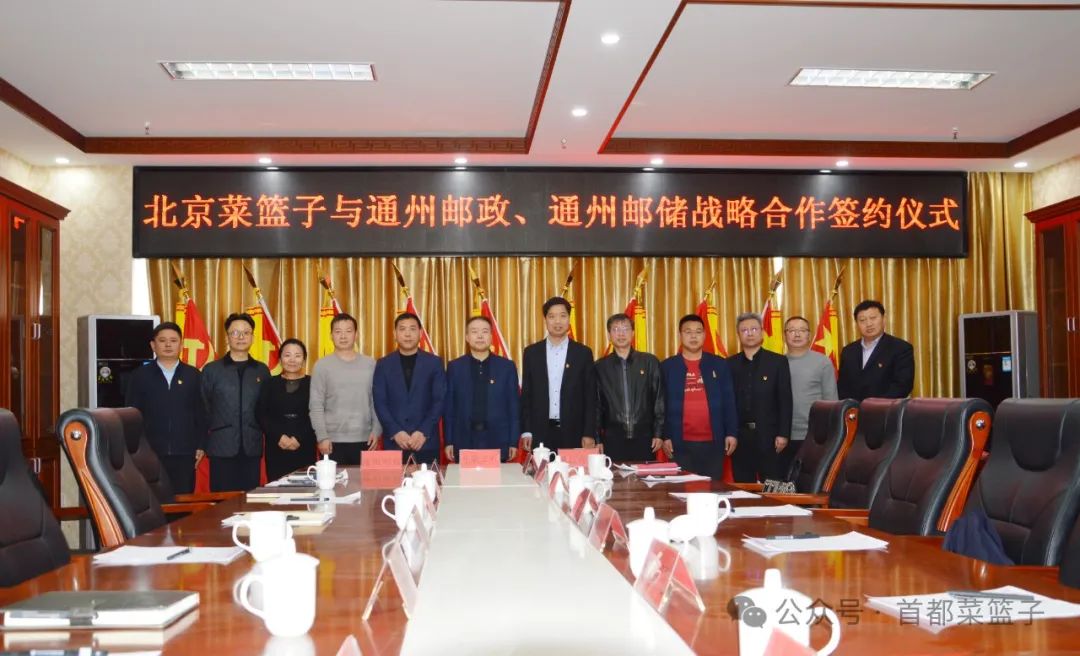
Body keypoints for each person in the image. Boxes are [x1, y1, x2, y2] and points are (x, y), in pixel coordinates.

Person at [124, 321, 205, 494]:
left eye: (173, 341)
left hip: (185, 453)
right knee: (153, 500)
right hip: (150, 452)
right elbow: (132, 416)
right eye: (162, 340)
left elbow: (201, 413)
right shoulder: (140, 376)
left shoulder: (193, 375)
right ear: (153, 345)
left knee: (182, 500)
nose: (168, 345)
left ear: (181, 345)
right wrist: (136, 449)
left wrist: (201, 445)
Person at [660, 315, 738, 479]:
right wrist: (665, 436)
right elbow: (661, 405)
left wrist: (731, 432)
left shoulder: (719, 364)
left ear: (704, 335)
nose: (693, 336)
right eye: (688, 332)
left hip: (714, 442)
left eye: (698, 332)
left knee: (712, 488)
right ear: (680, 335)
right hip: (679, 443)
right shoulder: (668, 366)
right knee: (681, 489)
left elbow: (729, 402)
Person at [200, 312, 271, 491]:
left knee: (248, 500)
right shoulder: (212, 370)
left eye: (246, 333)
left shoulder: (261, 371)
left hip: (251, 446)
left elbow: (267, 408)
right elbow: (203, 408)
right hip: (221, 446)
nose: (241, 337)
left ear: (252, 337)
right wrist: (201, 444)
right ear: (227, 337)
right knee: (222, 501)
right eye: (235, 333)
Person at [520, 297, 597, 452]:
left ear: (569, 319)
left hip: (574, 431)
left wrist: (589, 433)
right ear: (545, 320)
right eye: (552, 316)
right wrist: (526, 431)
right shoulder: (532, 353)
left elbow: (590, 396)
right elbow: (527, 394)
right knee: (542, 468)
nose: (557, 321)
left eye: (562, 316)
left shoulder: (583, 353)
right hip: (540, 431)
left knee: (573, 468)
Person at [727, 312, 793, 483]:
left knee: (773, 485)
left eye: (754, 329)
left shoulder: (778, 362)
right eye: (744, 330)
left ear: (762, 332)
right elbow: (727, 403)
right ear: (738, 334)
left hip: (770, 436)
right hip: (740, 437)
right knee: (743, 486)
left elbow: (785, 400)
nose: (749, 333)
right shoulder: (729, 364)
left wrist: (783, 434)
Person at [444, 316, 520, 463]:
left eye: (484, 331)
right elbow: (449, 408)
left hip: (498, 439)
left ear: (491, 337)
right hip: (464, 439)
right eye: (474, 331)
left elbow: (513, 407)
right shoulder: (455, 367)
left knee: (497, 478)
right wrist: (449, 441)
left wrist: (513, 441)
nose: (480, 336)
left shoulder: (507, 367)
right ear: (467, 337)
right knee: (465, 478)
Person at [373, 313, 446, 465]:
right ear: (395, 334)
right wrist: (395, 432)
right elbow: (380, 402)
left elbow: (439, 400)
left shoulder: (434, 363)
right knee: (393, 481)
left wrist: (423, 431)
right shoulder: (383, 364)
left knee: (428, 480)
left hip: (426, 442)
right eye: (402, 329)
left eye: (412, 329)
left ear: (420, 333)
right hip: (394, 443)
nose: (407, 334)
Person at [309, 313, 381, 465]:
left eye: (348, 331)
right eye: (338, 331)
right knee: (332, 481)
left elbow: (376, 401)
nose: (343, 336)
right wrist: (322, 437)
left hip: (365, 439)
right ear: (331, 335)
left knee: (362, 481)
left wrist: (376, 430)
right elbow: (316, 405)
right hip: (331, 441)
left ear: (356, 334)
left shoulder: (370, 364)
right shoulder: (322, 366)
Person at [594, 313, 664, 463]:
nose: (621, 334)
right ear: (609, 335)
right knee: (615, 477)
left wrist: (658, 433)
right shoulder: (600, 367)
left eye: (625, 329)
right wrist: (597, 438)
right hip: (613, 439)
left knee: (644, 477)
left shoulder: (649, 362)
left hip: (645, 438)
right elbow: (596, 405)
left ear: (632, 333)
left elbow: (659, 399)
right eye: (616, 329)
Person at [783, 316, 838, 480]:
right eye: (792, 330)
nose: (797, 334)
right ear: (785, 335)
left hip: (814, 435)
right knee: (784, 483)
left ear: (809, 335)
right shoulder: (777, 363)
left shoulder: (822, 362)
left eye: (802, 330)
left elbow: (831, 401)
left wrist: (828, 433)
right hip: (783, 436)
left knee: (811, 482)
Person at [256, 338, 317, 481]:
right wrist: (279, 436)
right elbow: (261, 414)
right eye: (287, 355)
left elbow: (318, 414)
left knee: (305, 490)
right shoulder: (269, 384)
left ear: (304, 359)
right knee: (278, 489)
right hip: (276, 447)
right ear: (280, 359)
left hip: (304, 446)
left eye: (297, 356)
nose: (292, 360)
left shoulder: (314, 383)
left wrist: (299, 438)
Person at [837, 300, 915, 401]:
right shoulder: (848, 351)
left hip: (887, 408)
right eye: (862, 320)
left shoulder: (901, 348)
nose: (868, 324)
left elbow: (903, 386)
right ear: (856, 324)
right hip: (853, 409)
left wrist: (875, 406)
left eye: (873, 318)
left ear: (883, 319)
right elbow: (843, 386)